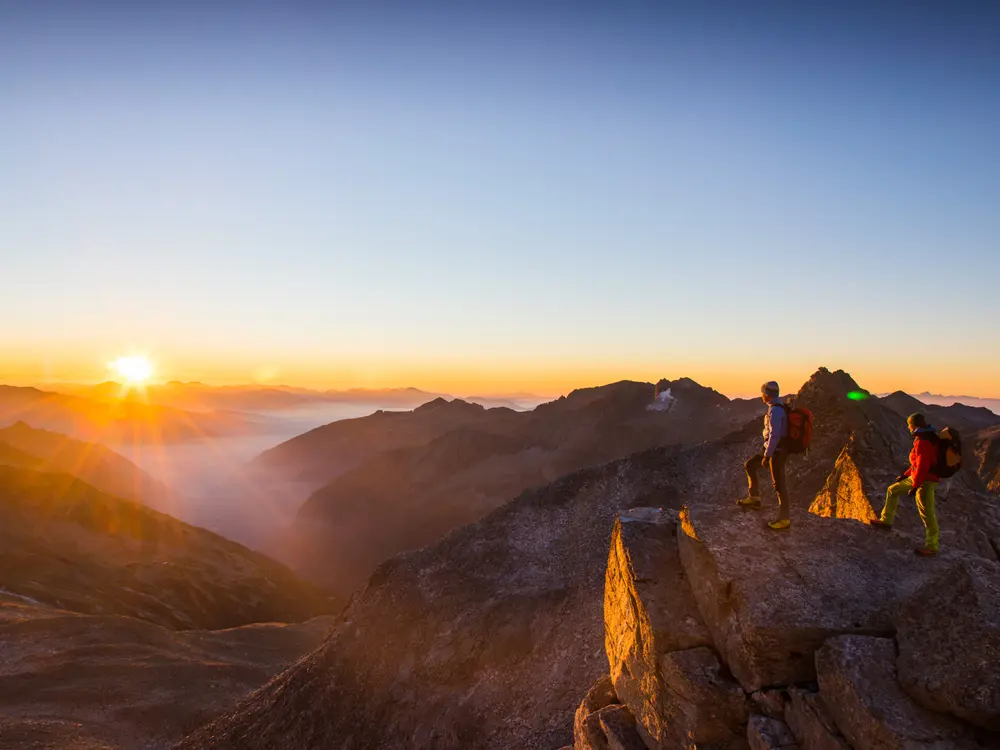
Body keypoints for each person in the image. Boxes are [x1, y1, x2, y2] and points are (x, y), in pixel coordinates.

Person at [869, 413, 941, 556]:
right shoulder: (925, 437)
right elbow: (916, 464)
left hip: (925, 481)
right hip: (917, 477)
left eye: (909, 425)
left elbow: (922, 466)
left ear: (915, 425)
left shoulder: (923, 442)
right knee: (893, 490)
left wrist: (915, 486)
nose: (908, 428)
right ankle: (886, 520)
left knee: (927, 513)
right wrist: (905, 474)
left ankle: (932, 547)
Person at [737, 381, 790, 530]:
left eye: (763, 393)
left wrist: (767, 455)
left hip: (776, 451)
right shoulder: (776, 408)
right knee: (750, 465)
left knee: (779, 484)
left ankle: (784, 519)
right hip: (771, 449)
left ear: (766, 395)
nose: (761, 396)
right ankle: (754, 498)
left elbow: (775, 435)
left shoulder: (775, 411)